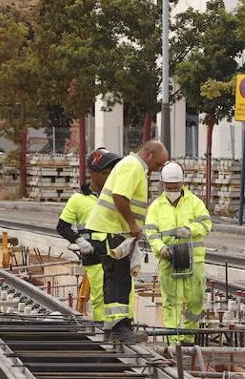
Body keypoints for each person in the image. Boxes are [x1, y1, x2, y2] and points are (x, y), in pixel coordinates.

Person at [84, 140, 169, 340]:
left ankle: (113, 325)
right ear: (149, 155)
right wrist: (132, 224)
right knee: (118, 278)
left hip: (109, 230)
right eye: (158, 164)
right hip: (111, 230)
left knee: (114, 277)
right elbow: (120, 196)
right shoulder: (134, 167)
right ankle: (120, 328)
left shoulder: (130, 165)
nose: (157, 170)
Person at [144, 161, 213, 345]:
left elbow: (207, 224)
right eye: (169, 187)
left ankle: (188, 338)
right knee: (171, 303)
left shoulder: (194, 202)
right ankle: (173, 342)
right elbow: (151, 233)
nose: (173, 190)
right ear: (163, 184)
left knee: (196, 300)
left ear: (182, 183)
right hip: (168, 260)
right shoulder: (156, 207)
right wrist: (161, 248)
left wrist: (190, 229)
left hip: (194, 260)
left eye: (176, 186)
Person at [58, 148, 122, 321]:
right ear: (93, 173)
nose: (111, 177)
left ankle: (119, 328)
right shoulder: (78, 200)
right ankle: (103, 328)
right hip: (94, 255)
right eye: (107, 173)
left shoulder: (114, 197)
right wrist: (79, 241)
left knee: (120, 295)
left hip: (116, 253)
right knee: (101, 296)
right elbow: (62, 227)